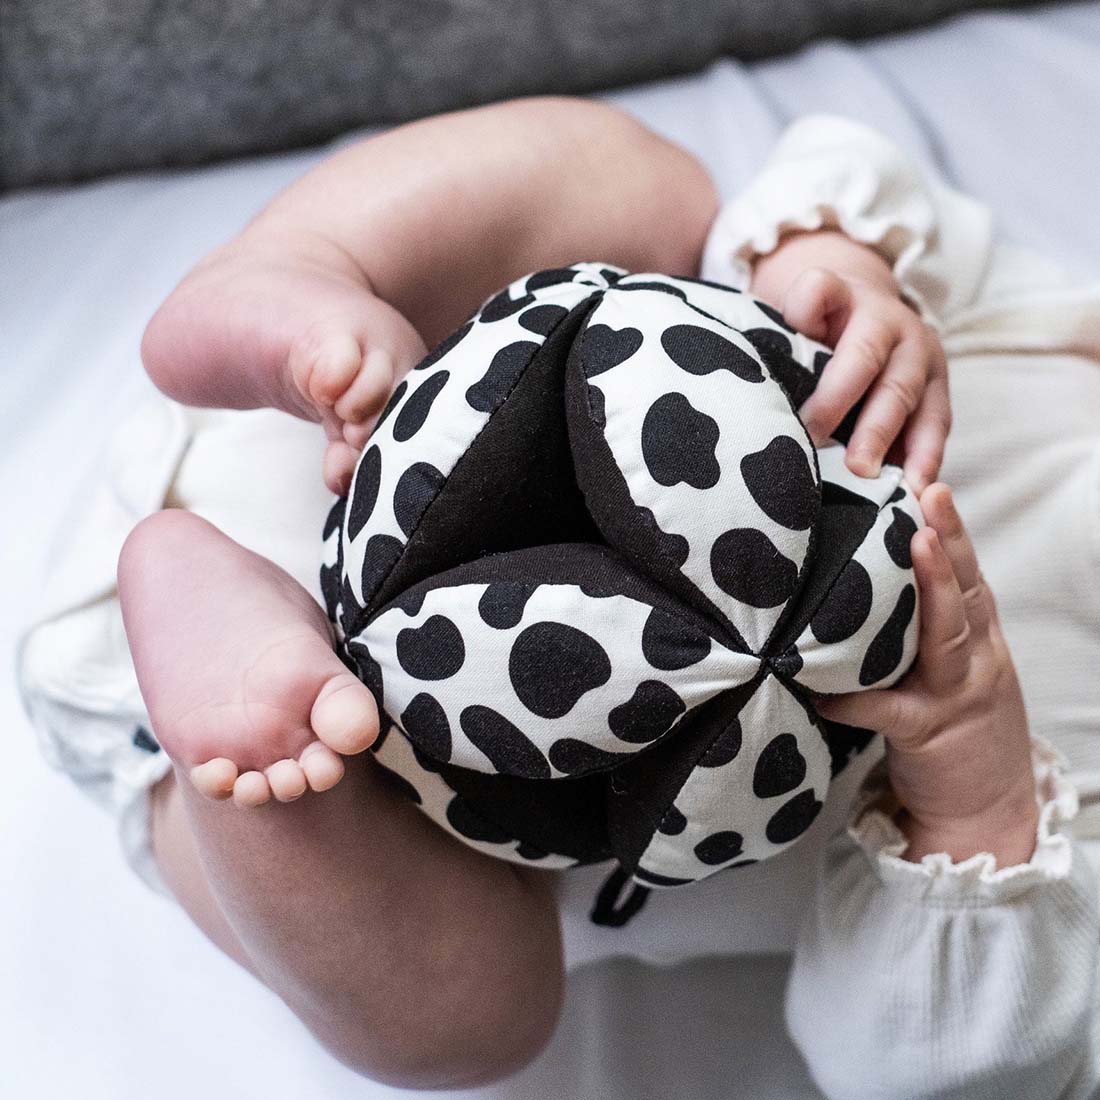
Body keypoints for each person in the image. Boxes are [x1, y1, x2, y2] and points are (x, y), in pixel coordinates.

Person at [20, 100, 1099, 1096]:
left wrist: (975, 787)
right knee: (657, 189)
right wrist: (833, 266)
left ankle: (266, 719)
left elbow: (919, 1059)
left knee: (472, 1019)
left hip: (407, 784)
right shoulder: (1049, 332)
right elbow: (844, 167)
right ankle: (296, 270)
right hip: (370, 403)